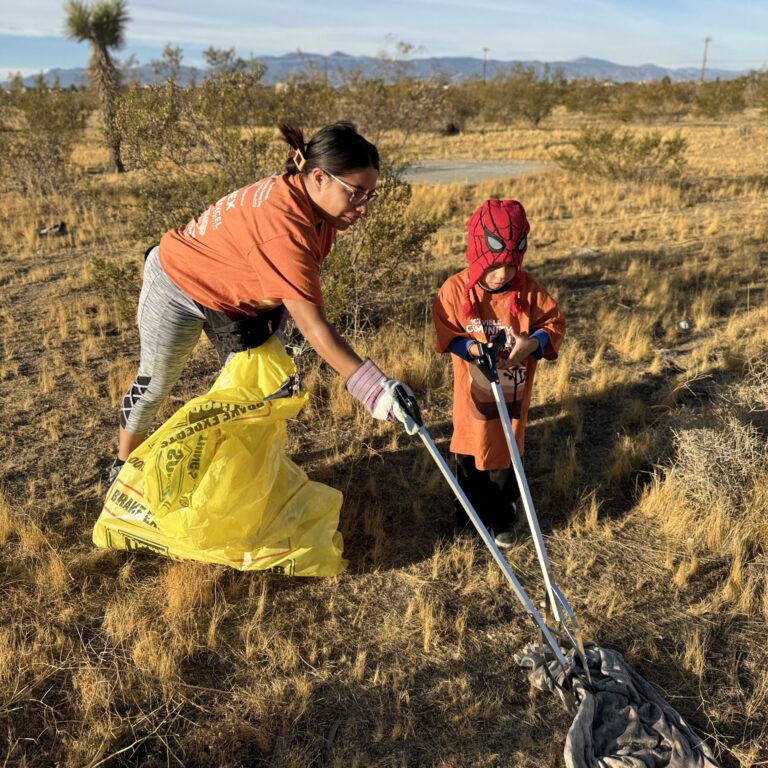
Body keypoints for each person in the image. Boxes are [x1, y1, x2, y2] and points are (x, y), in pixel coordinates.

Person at [108, 121, 416, 483]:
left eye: (370, 195)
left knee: (257, 395)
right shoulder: (284, 227)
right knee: (156, 383)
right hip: (178, 280)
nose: (364, 207)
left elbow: (286, 286)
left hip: (235, 301)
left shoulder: (323, 212)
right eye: (356, 193)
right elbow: (313, 325)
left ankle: (236, 478)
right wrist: (374, 390)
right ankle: (122, 467)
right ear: (319, 177)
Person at [432, 199, 565, 548]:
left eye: (510, 266)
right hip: (471, 399)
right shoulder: (456, 290)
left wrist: (532, 343)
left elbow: (554, 324)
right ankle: (469, 517)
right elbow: (447, 331)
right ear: (478, 254)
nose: (503, 275)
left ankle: (502, 515)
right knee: (469, 454)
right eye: (494, 266)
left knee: (505, 456)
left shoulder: (528, 291)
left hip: (512, 395)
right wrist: (472, 349)